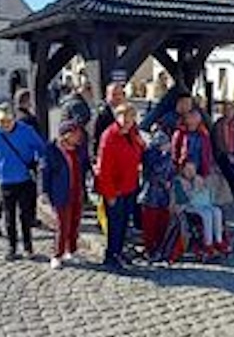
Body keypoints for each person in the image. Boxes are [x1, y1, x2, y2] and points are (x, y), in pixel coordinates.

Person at [0, 103, 46, 261]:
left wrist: (38, 163)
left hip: (25, 180)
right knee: (9, 217)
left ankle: (28, 247)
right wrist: (0, 173)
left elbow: (41, 148)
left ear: (14, 119)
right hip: (7, 182)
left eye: (8, 121)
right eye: (2, 121)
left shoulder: (27, 131)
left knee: (25, 216)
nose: (5, 124)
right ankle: (12, 247)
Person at [96, 103, 145, 271]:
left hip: (129, 186)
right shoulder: (109, 136)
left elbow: (139, 151)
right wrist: (109, 193)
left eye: (130, 117)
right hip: (115, 189)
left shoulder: (132, 134)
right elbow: (104, 169)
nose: (127, 120)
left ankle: (119, 252)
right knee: (114, 224)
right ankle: (111, 255)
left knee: (124, 222)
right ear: (117, 117)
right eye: (123, 116)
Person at [42, 120, 90, 270]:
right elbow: (45, 172)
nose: (79, 137)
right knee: (63, 225)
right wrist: (44, 192)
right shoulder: (52, 150)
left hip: (77, 191)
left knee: (75, 223)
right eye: (76, 134)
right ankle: (57, 254)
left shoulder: (80, 149)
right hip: (61, 193)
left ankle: (72, 250)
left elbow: (86, 165)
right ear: (66, 135)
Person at [173, 160, 229, 260]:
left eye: (192, 169)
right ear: (183, 170)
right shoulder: (179, 181)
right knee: (207, 214)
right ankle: (208, 243)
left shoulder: (198, 178)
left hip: (202, 203)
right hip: (188, 207)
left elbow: (206, 192)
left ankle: (219, 240)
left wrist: (202, 187)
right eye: (188, 169)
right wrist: (194, 190)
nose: (190, 172)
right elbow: (181, 199)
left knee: (217, 211)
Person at [138, 131, 175, 259]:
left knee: (162, 223)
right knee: (150, 225)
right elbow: (154, 171)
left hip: (164, 195)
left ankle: (160, 249)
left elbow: (171, 172)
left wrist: (169, 181)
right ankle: (150, 250)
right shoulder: (150, 154)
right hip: (151, 193)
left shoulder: (168, 155)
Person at [172, 110, 213, 178]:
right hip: (183, 166)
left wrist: (206, 170)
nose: (192, 121)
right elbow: (175, 151)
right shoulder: (180, 133)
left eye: (195, 119)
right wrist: (178, 167)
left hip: (199, 168)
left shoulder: (204, 135)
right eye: (190, 118)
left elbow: (208, 153)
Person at [211, 102, 234, 202]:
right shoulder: (218, 124)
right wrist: (226, 153)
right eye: (226, 109)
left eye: (230, 109)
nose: (228, 112)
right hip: (223, 154)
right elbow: (216, 141)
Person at [93, 82, 126, 156]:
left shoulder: (127, 111)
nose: (118, 97)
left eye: (120, 94)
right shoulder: (101, 114)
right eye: (114, 95)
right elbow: (97, 137)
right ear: (107, 96)